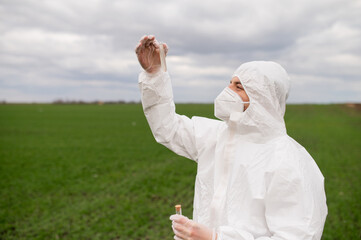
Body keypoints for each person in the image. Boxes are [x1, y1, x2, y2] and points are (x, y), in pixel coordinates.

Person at [135, 35, 327, 240]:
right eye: (230, 83)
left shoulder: (288, 160)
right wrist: (154, 74)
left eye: (239, 87)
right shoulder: (217, 136)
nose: (228, 91)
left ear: (263, 98)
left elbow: (298, 235)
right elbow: (167, 128)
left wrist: (216, 238)